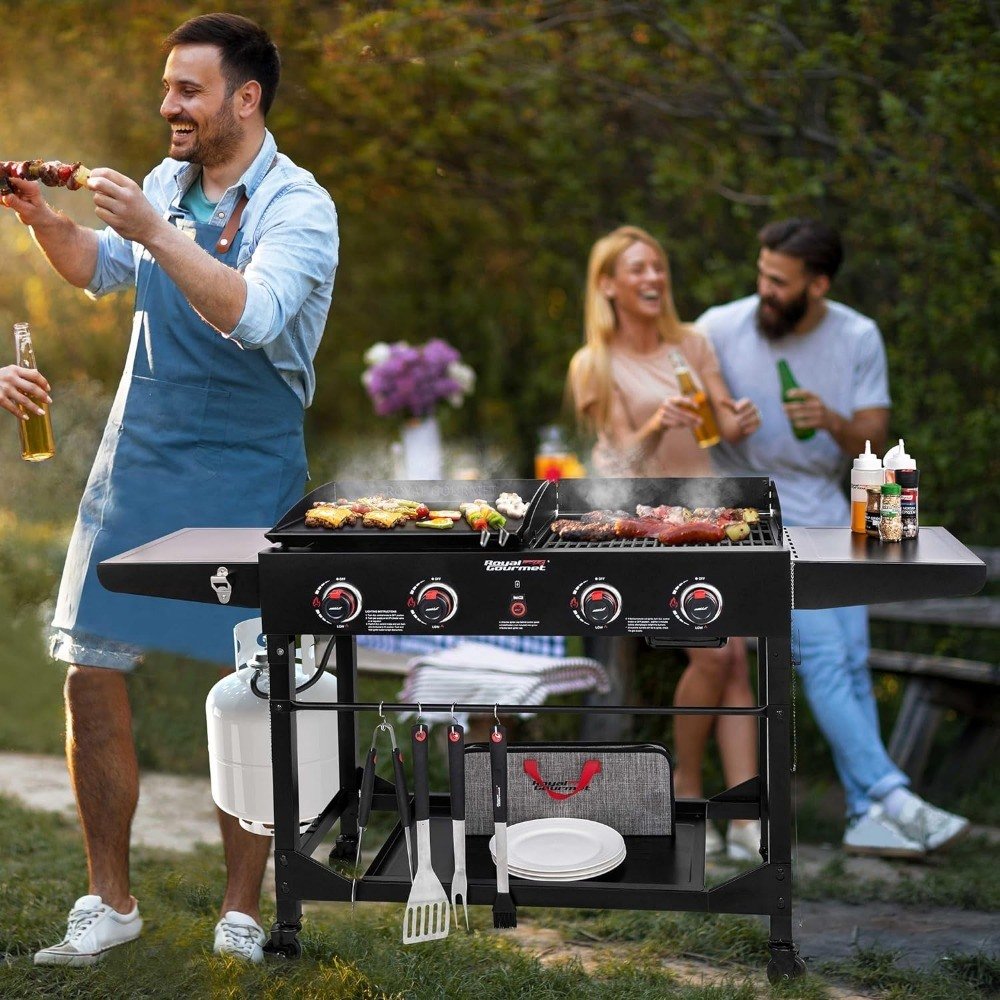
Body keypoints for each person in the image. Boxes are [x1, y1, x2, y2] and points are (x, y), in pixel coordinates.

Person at [0, 13, 339, 965]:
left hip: (249, 464)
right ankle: (109, 901)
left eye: (188, 90)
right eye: (166, 88)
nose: (168, 107)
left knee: (256, 686)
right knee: (90, 673)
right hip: (142, 457)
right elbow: (101, 269)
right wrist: (45, 220)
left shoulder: (299, 206)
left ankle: (241, 910)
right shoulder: (165, 185)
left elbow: (253, 315)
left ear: (246, 98)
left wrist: (154, 229)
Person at [698, 218, 968, 858]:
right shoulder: (718, 328)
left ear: (817, 285)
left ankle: (862, 814)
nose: (764, 291)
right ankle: (890, 793)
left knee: (850, 661)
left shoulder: (856, 335)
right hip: (756, 520)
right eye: (762, 274)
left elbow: (873, 430)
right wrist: (723, 420)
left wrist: (831, 420)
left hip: (834, 516)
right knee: (821, 653)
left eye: (779, 281)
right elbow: (688, 406)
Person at [566, 225, 763, 861]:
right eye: (638, 269)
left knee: (734, 656)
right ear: (608, 285)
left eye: (658, 266)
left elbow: (721, 421)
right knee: (716, 655)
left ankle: (742, 815)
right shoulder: (594, 364)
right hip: (643, 526)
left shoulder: (691, 344)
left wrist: (740, 418)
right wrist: (656, 421)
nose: (653, 277)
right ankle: (690, 788)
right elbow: (617, 460)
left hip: (707, 515)